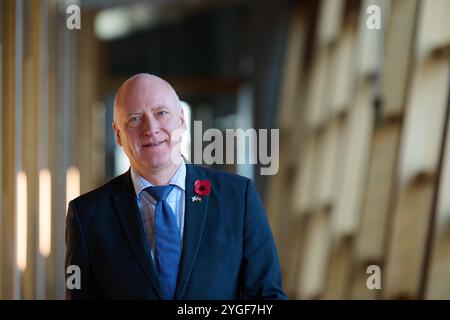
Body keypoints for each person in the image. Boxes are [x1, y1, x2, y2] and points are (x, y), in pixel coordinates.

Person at [65, 73, 287, 300]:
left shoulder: (238, 198)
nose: (150, 128)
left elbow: (266, 296)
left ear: (181, 120)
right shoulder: (87, 215)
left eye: (161, 113)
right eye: (134, 118)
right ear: (118, 134)